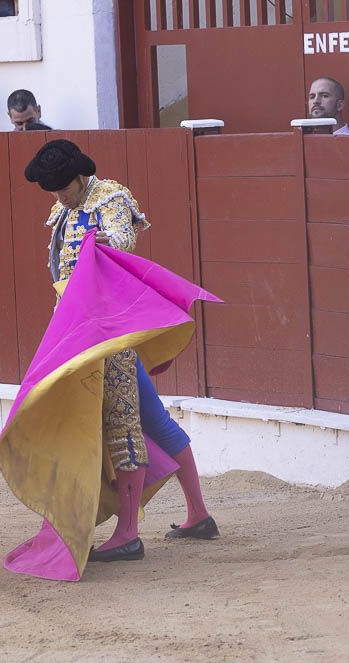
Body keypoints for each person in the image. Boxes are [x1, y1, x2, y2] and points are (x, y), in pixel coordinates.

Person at [23, 139, 217, 563]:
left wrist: (98, 242)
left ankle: (128, 533)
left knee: (120, 425)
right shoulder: (61, 211)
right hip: (77, 331)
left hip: (108, 333)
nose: (58, 197)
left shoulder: (110, 197)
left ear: (79, 176)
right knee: (153, 420)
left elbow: (122, 243)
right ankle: (199, 514)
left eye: (62, 188)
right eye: (52, 191)